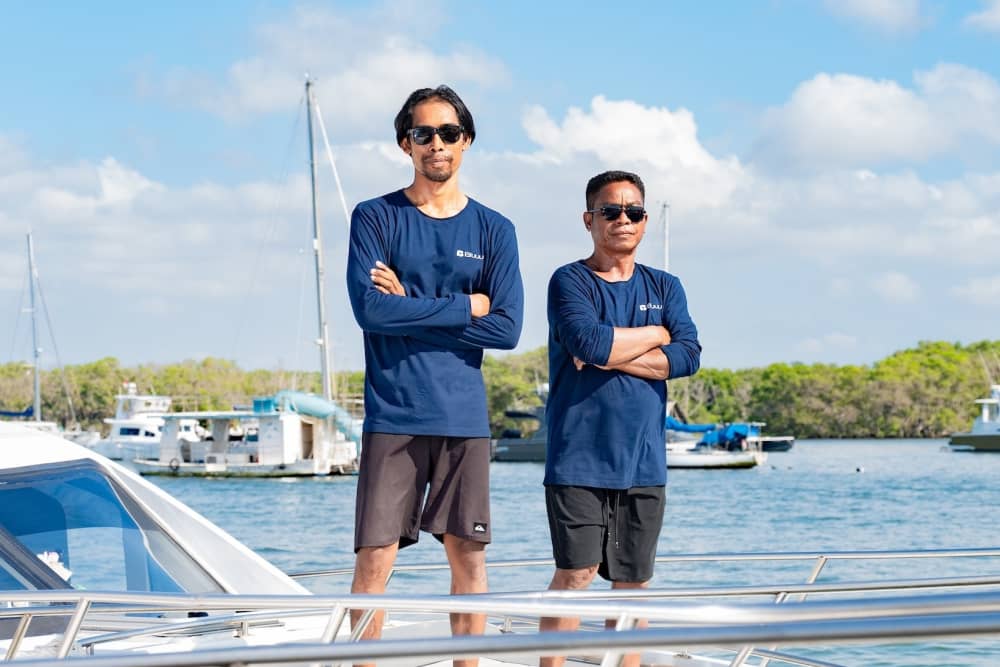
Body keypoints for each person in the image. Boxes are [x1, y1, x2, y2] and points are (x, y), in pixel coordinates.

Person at [345, 85, 524, 667]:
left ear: (466, 142)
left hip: (463, 417)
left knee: (469, 561)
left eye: (449, 133)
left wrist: (412, 304)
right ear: (406, 143)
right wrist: (462, 305)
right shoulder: (374, 217)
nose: (437, 144)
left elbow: (506, 329)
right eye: (424, 134)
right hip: (392, 414)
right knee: (374, 561)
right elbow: (371, 312)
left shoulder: (496, 230)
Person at [539, 170, 701, 667]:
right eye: (611, 211)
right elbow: (587, 343)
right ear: (590, 220)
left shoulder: (665, 285)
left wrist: (615, 350)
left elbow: (689, 355)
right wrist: (656, 335)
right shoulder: (569, 281)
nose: (622, 220)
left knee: (632, 584)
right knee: (577, 573)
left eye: (633, 212)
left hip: (644, 462)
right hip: (578, 459)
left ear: (645, 222)